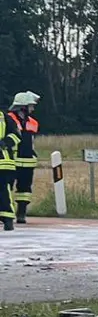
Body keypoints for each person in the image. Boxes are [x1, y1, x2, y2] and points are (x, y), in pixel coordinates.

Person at [0, 93, 32, 231]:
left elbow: (16, 135)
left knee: (3, 192)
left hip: (4, 161)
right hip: (7, 162)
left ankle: (8, 219)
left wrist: (4, 143)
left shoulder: (4, 117)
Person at [8, 92, 40, 223]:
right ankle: (6, 213)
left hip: (28, 162)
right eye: (30, 106)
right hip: (11, 161)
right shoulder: (8, 119)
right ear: (22, 107)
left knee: (25, 190)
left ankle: (21, 213)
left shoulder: (33, 122)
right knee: (7, 187)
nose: (32, 109)